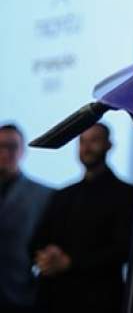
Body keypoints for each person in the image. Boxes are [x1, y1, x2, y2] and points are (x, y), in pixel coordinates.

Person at [28, 123, 133, 313]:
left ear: (108, 145)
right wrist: (46, 255)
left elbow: (123, 249)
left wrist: (70, 263)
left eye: (94, 140)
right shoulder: (63, 195)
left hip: (99, 299)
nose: (87, 147)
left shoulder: (126, 195)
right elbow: (37, 239)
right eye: (82, 141)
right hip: (55, 298)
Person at [0, 124, 53, 313]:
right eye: (0, 146)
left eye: (12, 146)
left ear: (22, 151)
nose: (5, 153)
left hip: (21, 295)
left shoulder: (45, 196)